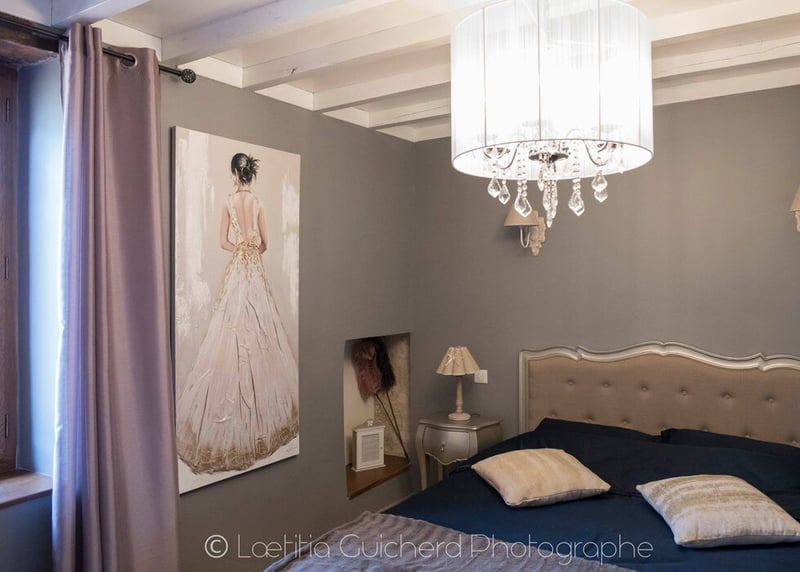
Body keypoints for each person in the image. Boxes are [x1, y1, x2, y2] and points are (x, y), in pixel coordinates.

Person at [176, 153, 298, 473]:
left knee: (231, 328)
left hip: (238, 268)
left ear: (234, 174)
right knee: (259, 329)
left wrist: (239, 249)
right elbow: (266, 243)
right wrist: (252, 250)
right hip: (254, 268)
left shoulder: (228, 201)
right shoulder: (257, 202)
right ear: (250, 174)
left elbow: (222, 242)